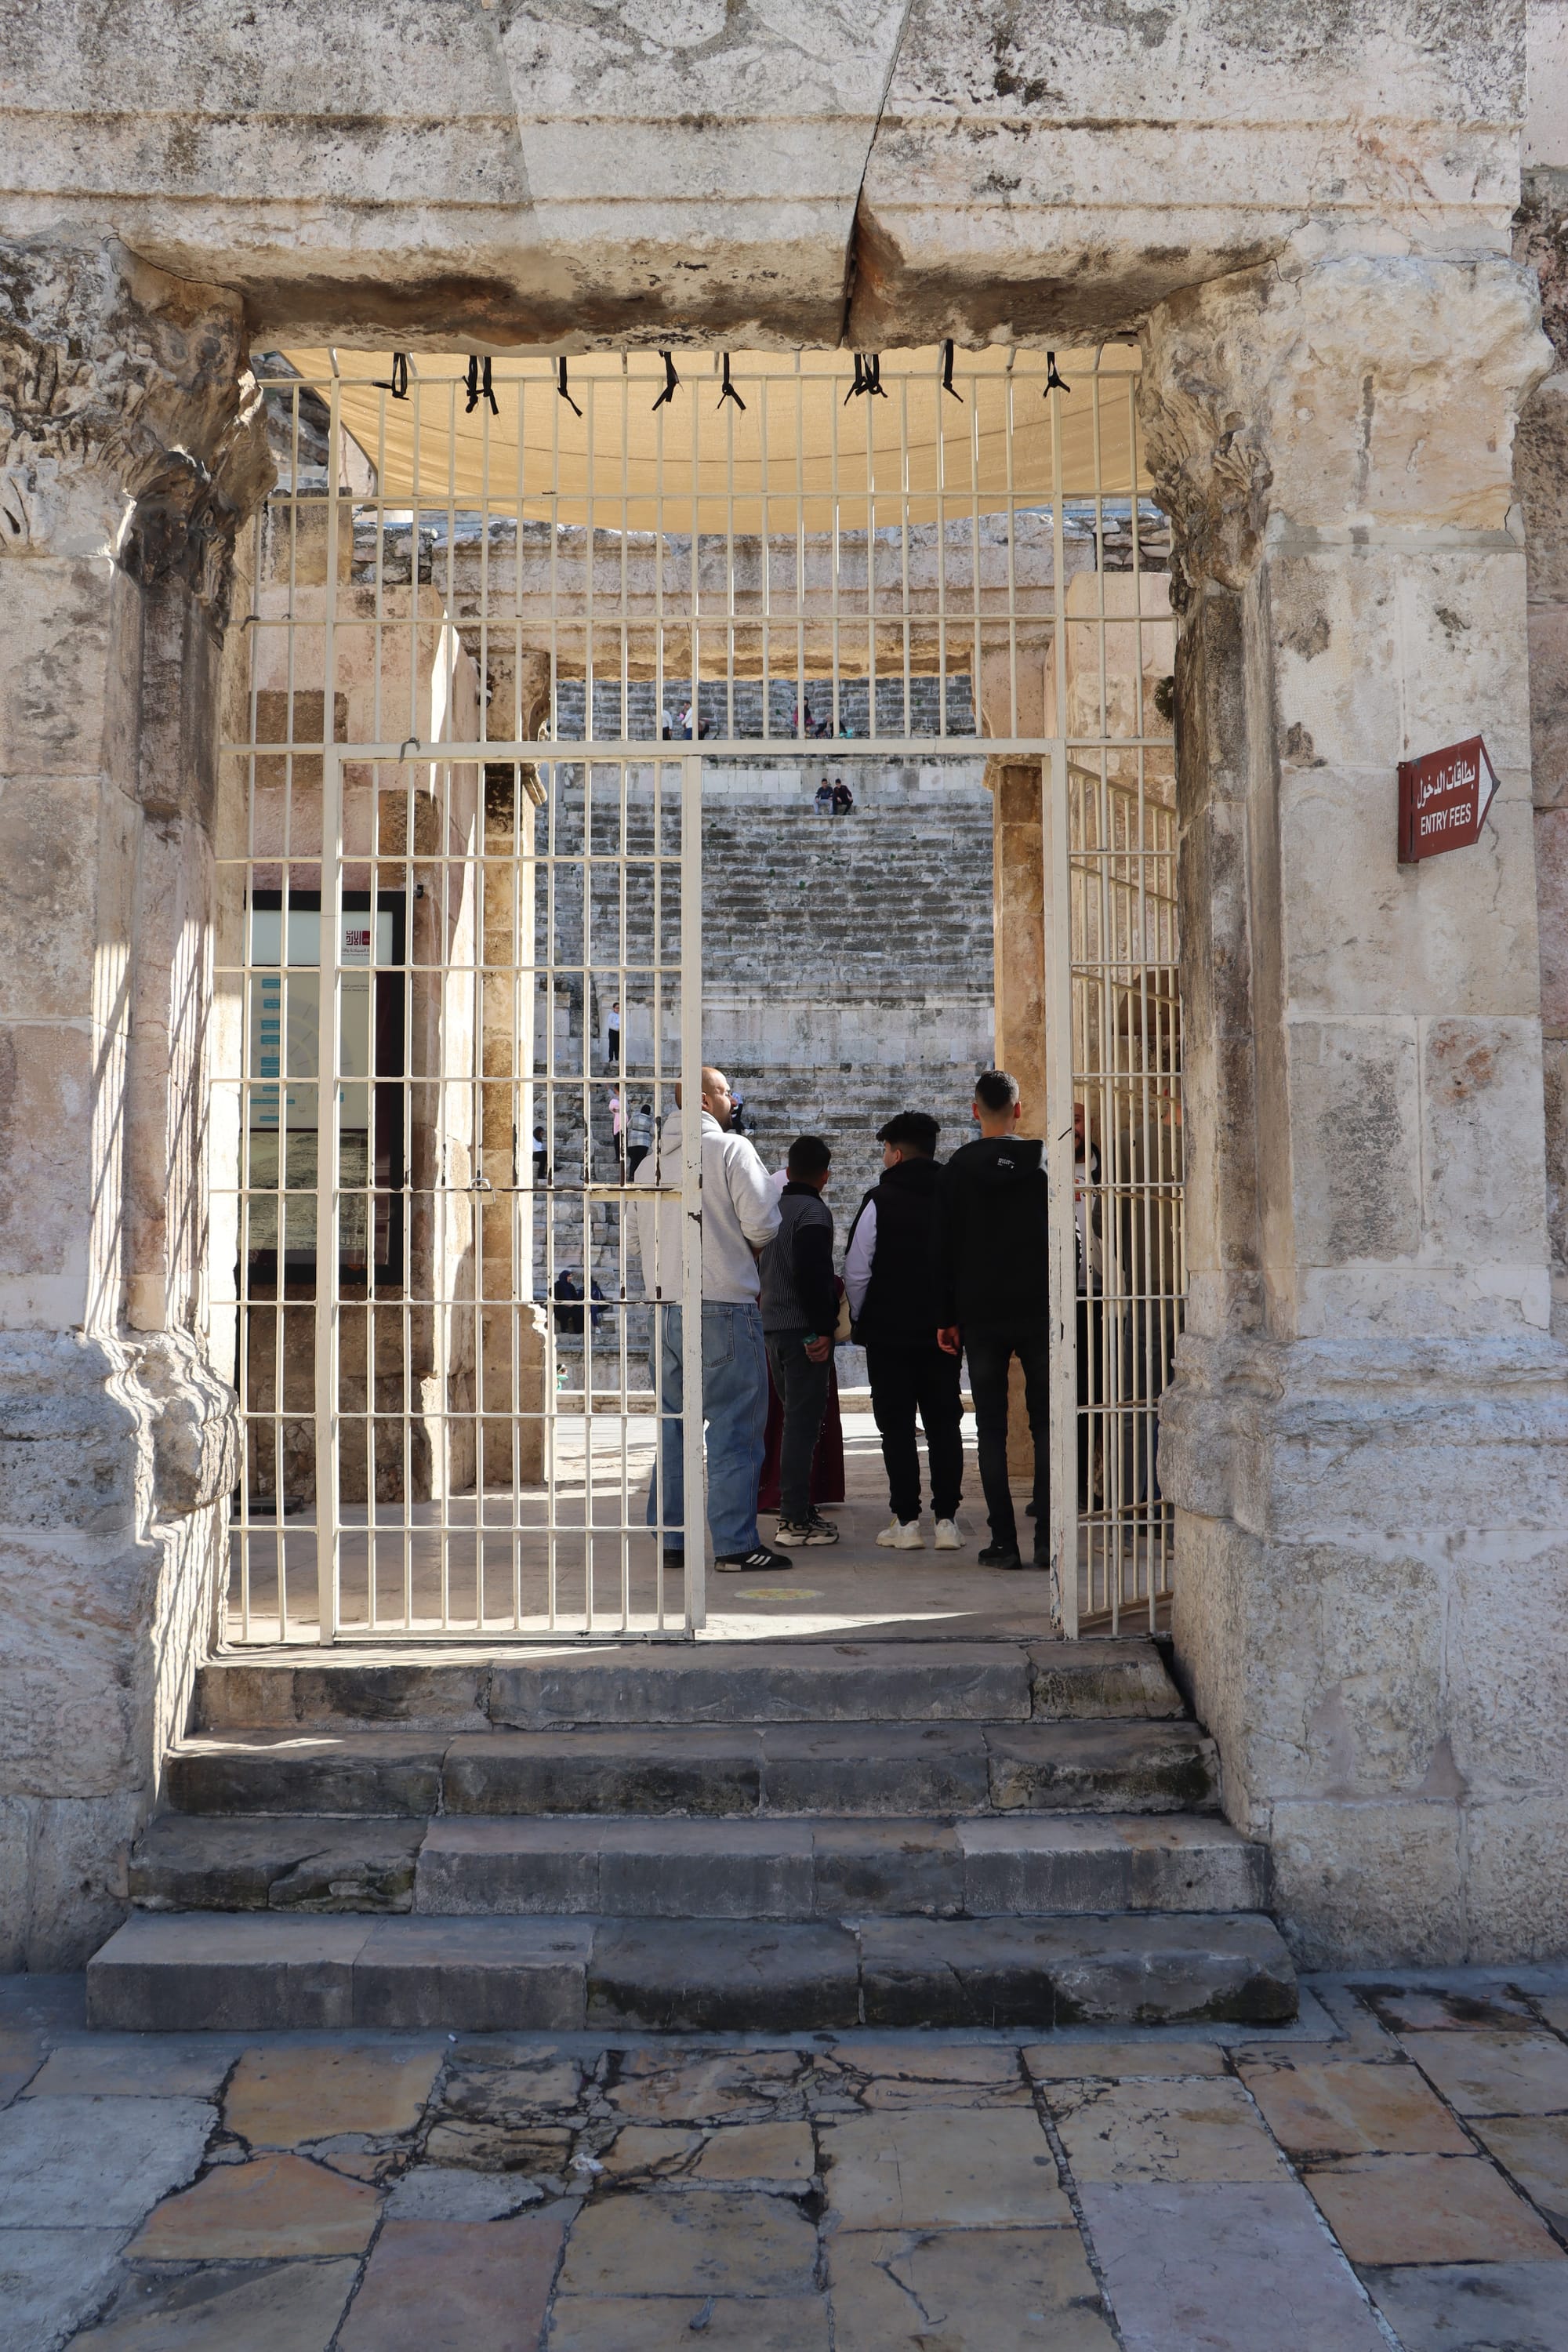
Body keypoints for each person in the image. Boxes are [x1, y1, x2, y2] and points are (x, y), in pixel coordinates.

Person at [633, 1065, 790, 1575]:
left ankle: (674, 1539)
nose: (733, 1099)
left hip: (665, 1307)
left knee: (677, 1426)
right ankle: (734, 1545)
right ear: (703, 1099)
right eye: (726, 1091)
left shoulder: (648, 1166)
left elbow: (637, 1244)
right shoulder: (730, 1150)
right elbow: (764, 1223)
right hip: (722, 1303)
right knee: (735, 1428)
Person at [935, 1067, 1049, 1571]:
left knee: (992, 1429)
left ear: (975, 1110)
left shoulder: (956, 1169)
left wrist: (946, 1317)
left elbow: (941, 1249)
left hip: (979, 1315)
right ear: (1018, 1109)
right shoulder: (1043, 1161)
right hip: (1039, 1308)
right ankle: (1048, 1537)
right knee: (1047, 1424)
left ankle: (1004, 1540)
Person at [844, 1110, 963, 1551]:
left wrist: (864, 1317)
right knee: (944, 1423)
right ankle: (948, 1521)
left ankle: (907, 1522)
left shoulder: (880, 1198)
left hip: (889, 1335)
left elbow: (857, 1271)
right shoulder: (954, 1194)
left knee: (895, 1426)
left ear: (894, 1154)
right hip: (943, 1333)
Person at [758, 1135, 840, 1547]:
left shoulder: (771, 1209)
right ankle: (792, 1520)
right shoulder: (813, 1213)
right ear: (825, 1176)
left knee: (795, 1421)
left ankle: (798, 1509)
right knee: (802, 1427)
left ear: (787, 1172)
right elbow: (812, 1277)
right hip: (801, 1333)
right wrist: (820, 1331)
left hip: (772, 1328)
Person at [626, 1098, 654, 1178]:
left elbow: (628, 1126)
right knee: (641, 1161)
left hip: (632, 1142)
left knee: (633, 1160)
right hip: (643, 1143)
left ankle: (631, 1177)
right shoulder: (649, 1120)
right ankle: (639, 1177)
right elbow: (653, 1132)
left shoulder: (635, 1116)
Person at [606, 1000, 621, 1066]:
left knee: (618, 1046)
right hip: (613, 1031)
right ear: (614, 1008)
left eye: (619, 1008)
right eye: (617, 1008)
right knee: (612, 1046)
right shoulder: (611, 1015)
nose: (618, 1009)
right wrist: (617, 1028)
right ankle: (611, 1059)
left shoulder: (621, 1015)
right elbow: (610, 1024)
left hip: (619, 1032)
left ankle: (617, 1059)